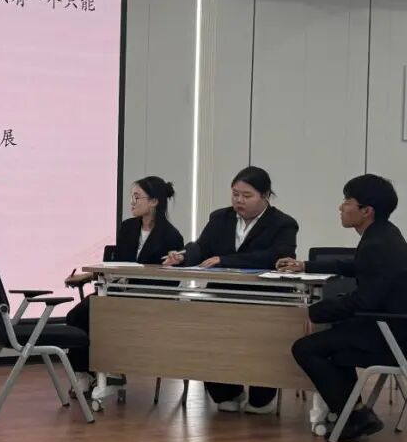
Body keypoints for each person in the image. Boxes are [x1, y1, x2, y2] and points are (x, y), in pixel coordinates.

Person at [281, 175, 407, 442]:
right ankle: (353, 414)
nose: (341, 207)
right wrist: (307, 265)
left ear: (366, 210)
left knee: (306, 348)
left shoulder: (377, 244)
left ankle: (355, 416)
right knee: (333, 346)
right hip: (400, 327)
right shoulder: (384, 234)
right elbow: (357, 267)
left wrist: (315, 311)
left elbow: (364, 301)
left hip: (394, 335)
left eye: (347, 201)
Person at [163, 166, 298, 413]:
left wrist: (225, 260)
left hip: (264, 298)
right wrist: (182, 256)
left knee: (261, 341)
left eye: (247, 196)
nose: (239, 200)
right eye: (235, 194)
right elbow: (202, 248)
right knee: (202, 327)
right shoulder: (220, 218)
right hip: (221, 294)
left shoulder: (283, 224)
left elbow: (276, 256)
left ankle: (261, 397)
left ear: (265, 195)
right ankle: (226, 391)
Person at [65, 176, 184, 392]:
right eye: (132, 197)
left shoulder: (171, 236)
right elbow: (117, 264)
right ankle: (83, 372)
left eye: (137, 197)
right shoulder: (127, 227)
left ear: (154, 202)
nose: (132, 202)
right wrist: (90, 276)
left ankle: (110, 372)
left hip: (147, 300)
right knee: (77, 315)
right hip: (118, 293)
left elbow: (170, 280)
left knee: (100, 315)